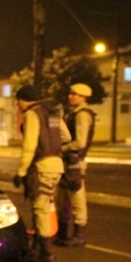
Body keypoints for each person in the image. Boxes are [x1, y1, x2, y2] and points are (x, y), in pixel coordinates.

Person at [12, 85, 71, 262]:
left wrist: (21, 171)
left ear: (23, 100)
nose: (18, 106)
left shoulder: (32, 114)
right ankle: (36, 248)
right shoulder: (52, 113)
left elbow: (29, 146)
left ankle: (46, 253)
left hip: (42, 166)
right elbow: (66, 136)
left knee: (40, 208)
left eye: (18, 102)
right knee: (43, 205)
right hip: (57, 166)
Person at [55, 83, 96, 248]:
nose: (70, 96)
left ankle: (79, 234)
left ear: (83, 97)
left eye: (74, 94)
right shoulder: (74, 113)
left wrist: (61, 149)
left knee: (76, 197)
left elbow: (80, 142)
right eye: (70, 93)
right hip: (68, 161)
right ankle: (63, 233)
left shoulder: (82, 115)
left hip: (75, 162)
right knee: (63, 197)